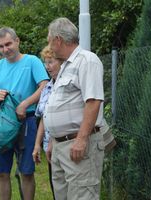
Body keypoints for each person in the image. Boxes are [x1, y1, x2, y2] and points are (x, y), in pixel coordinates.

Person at [44, 17, 105, 200]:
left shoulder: (87, 60)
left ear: (58, 40)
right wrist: (55, 140)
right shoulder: (65, 66)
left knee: (82, 194)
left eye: (49, 40)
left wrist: (81, 139)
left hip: (77, 147)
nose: (50, 46)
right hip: (62, 147)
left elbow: (93, 101)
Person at [0, 27, 49, 200]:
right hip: (2, 124)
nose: (5, 49)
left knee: (26, 172)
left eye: (8, 44)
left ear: (17, 41)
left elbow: (44, 87)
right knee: (2, 173)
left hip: (25, 121)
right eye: (1, 46)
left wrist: (25, 103)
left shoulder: (32, 61)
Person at [32, 45, 62, 200]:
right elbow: (44, 118)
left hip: (64, 145)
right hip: (48, 147)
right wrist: (37, 145)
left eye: (51, 62)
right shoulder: (47, 87)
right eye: (46, 62)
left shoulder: (67, 86)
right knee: (56, 189)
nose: (47, 66)